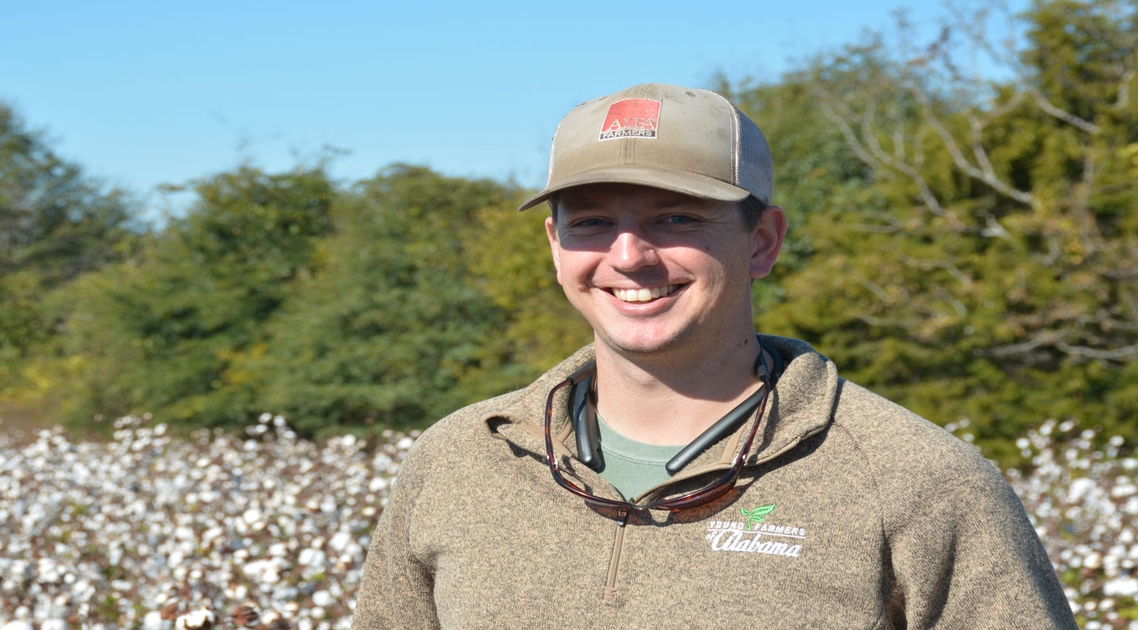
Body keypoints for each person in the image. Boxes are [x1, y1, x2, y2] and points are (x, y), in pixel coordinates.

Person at [351, 83, 1076, 629]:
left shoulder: (919, 482)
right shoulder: (454, 462)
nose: (629, 256)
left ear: (763, 241)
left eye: (677, 218)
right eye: (593, 222)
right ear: (554, 247)